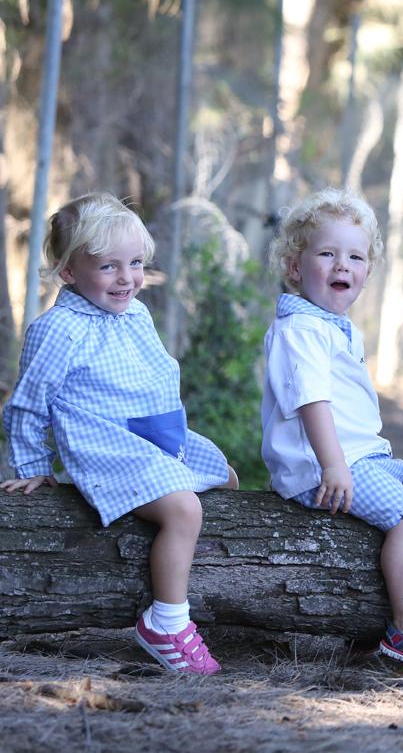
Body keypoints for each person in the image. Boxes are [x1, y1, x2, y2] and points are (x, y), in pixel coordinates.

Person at [2, 193, 237, 675]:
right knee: (184, 507)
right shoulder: (59, 329)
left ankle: (208, 578)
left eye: (134, 263)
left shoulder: (136, 313)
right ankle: (167, 622)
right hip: (107, 447)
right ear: (68, 271)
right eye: (108, 266)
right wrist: (32, 467)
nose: (127, 278)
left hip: (157, 436)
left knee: (228, 478)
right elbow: (28, 402)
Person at [262, 188, 403, 678]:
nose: (341, 266)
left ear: (368, 271)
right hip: (320, 464)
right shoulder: (303, 329)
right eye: (326, 254)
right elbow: (313, 401)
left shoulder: (334, 325)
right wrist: (334, 465)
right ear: (294, 266)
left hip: (350, 457)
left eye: (354, 256)